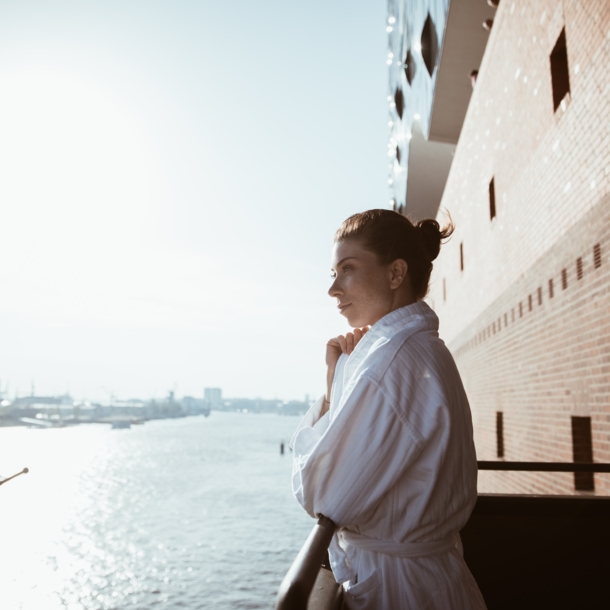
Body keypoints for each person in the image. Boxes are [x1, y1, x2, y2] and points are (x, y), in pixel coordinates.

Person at [290, 209, 487, 609]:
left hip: (402, 591)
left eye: (347, 268)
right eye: (333, 272)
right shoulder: (423, 350)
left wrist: (332, 394)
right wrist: (338, 382)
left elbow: (322, 494)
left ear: (396, 274)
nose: (333, 288)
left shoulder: (390, 364)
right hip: (430, 579)